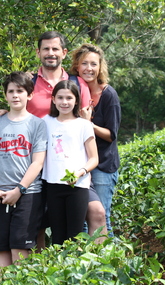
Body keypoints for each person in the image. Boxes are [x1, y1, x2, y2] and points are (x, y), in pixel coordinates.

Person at [0, 31, 107, 247]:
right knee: (38, 224)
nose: (50, 53)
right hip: (36, 167)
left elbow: (84, 120)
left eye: (55, 49)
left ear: (63, 53)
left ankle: (98, 267)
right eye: (46, 49)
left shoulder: (77, 82)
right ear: (38, 52)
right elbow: (18, 106)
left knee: (97, 213)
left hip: (72, 169)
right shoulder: (29, 81)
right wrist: (3, 112)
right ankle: (43, 273)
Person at [0, 71, 47, 268]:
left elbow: (37, 162)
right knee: (0, 249)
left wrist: (19, 190)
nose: (15, 95)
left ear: (30, 95)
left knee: (20, 248)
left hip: (28, 194)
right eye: (11, 91)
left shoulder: (37, 124)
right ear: (5, 95)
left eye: (20, 91)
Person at [70, 43, 121, 238]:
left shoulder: (109, 95)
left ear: (100, 67)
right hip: (80, 164)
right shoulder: (73, 92)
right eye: (84, 63)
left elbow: (111, 135)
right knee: (83, 218)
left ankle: (110, 262)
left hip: (103, 165)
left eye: (93, 64)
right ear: (76, 66)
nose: (89, 69)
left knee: (101, 216)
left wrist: (88, 124)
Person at [42, 80, 99, 245]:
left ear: (76, 101)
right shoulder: (45, 122)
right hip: (52, 185)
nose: (64, 102)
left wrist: (80, 172)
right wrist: (4, 111)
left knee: (75, 235)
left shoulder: (84, 125)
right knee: (57, 236)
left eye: (69, 98)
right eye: (60, 98)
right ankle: (59, 269)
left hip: (77, 186)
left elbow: (94, 158)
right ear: (53, 99)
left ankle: (76, 269)